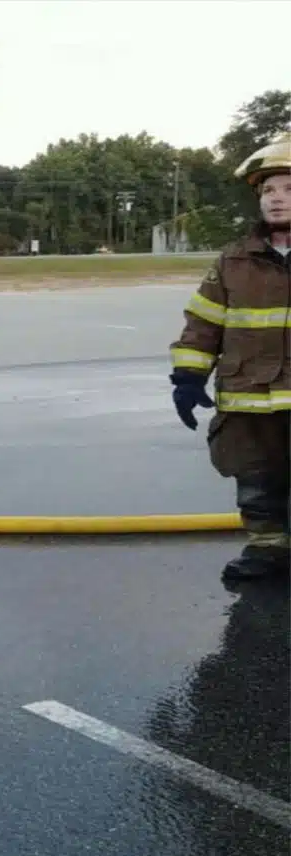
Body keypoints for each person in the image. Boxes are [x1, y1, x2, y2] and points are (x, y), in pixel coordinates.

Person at [168, 132, 291, 582]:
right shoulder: (232, 261)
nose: (276, 199)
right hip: (248, 398)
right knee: (256, 478)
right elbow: (204, 323)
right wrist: (188, 377)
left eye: (289, 189)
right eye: (268, 190)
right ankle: (267, 550)